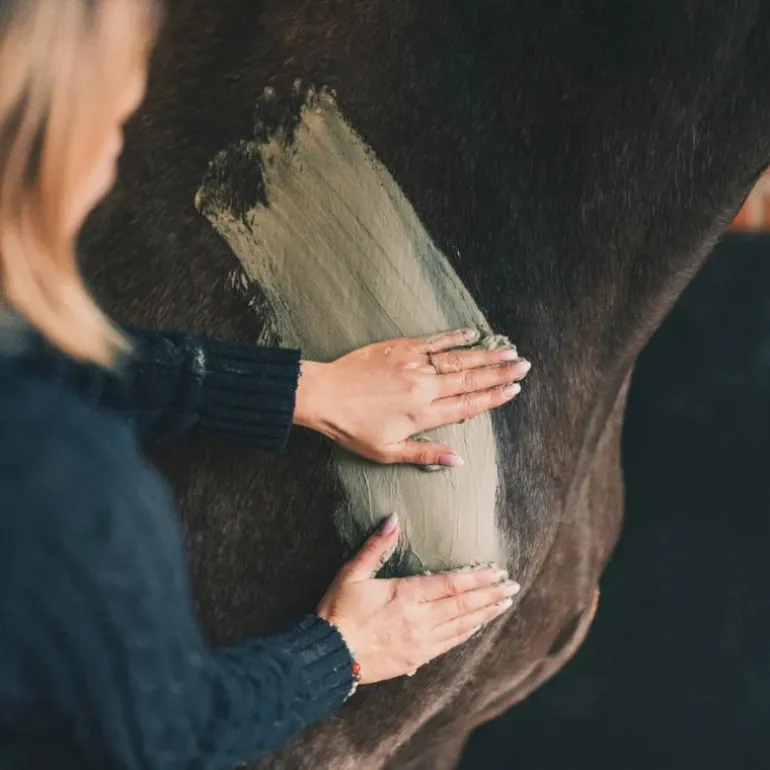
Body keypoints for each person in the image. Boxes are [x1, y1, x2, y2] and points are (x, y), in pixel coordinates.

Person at [0, 1, 530, 768]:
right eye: (117, 124)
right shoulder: (65, 482)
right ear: (51, 138)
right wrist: (341, 652)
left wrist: (297, 392)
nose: (116, 155)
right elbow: (166, 743)